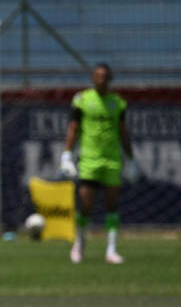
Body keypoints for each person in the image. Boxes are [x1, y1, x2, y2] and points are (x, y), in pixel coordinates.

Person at [59, 63, 138, 264]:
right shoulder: (82, 100)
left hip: (112, 160)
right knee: (86, 205)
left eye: (104, 76)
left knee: (112, 205)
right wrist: (66, 155)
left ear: (110, 79)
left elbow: (123, 132)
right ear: (93, 78)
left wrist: (131, 160)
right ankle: (79, 244)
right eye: (98, 75)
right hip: (89, 160)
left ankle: (111, 250)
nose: (101, 79)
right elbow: (73, 129)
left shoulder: (117, 102)